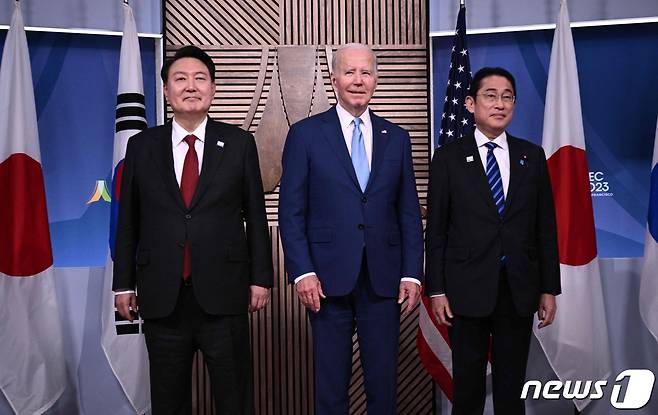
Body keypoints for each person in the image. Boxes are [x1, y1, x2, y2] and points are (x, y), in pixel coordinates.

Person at [113, 45, 273, 415]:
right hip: (161, 296)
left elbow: (255, 213)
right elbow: (128, 221)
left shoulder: (238, 143)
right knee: (169, 403)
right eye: (180, 79)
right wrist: (123, 283)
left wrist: (260, 278)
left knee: (234, 400)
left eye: (200, 78)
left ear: (213, 89)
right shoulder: (140, 146)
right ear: (166, 90)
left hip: (225, 294)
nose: (190, 86)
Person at [278, 43, 424, 414]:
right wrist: (303, 272)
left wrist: (411, 273)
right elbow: (291, 211)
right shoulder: (305, 135)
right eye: (350, 72)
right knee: (330, 386)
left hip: (384, 278)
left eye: (366, 72)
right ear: (335, 78)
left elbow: (408, 212)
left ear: (376, 79)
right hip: (325, 280)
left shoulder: (397, 138)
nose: (358, 80)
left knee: (383, 386)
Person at [425, 67, 561, 414]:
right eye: (490, 95)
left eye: (507, 96)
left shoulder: (531, 156)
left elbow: (544, 227)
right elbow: (437, 229)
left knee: (510, 390)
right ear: (470, 103)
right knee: (468, 390)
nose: (499, 104)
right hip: (465, 291)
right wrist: (436, 290)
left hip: (517, 290)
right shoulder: (448, 158)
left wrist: (548, 288)